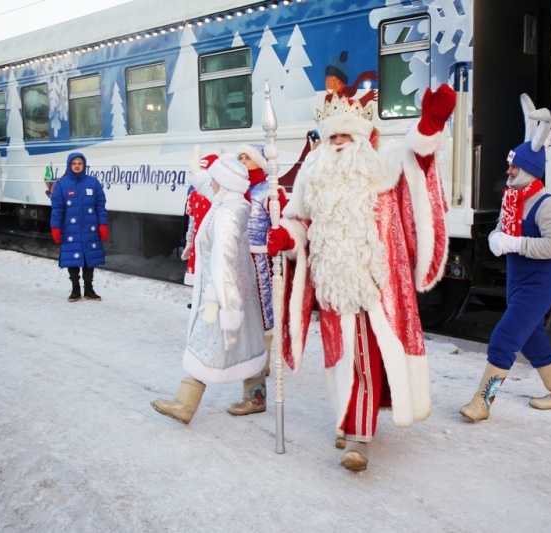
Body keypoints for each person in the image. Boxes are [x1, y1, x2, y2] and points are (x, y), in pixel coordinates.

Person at [266, 85, 456, 471]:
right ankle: (351, 419)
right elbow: (301, 222)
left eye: (345, 135)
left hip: (375, 287)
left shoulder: (382, 167)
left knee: (367, 360)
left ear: (362, 138)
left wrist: (430, 124)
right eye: (331, 135)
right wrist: (287, 237)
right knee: (341, 358)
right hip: (332, 287)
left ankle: (357, 438)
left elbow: (418, 160)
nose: (337, 143)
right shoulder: (311, 175)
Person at [459, 94, 551, 423]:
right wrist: (497, 237)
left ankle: (483, 402)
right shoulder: (513, 199)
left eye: (514, 165)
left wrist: (515, 243)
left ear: (530, 170)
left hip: (539, 284)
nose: (508, 170)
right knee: (533, 340)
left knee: (504, 339)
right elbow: (500, 229)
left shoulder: (547, 204)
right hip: (518, 281)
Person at [151, 157, 267, 425]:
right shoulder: (229, 202)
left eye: (215, 179)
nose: (211, 183)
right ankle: (256, 397)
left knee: (207, 343)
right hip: (236, 290)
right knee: (247, 340)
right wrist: (198, 173)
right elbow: (208, 186)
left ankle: (184, 404)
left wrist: (224, 302)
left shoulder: (227, 213)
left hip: (224, 292)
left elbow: (224, 259)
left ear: (225, 184)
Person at [233, 144, 288, 382]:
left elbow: (282, 222)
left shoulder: (269, 190)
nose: (243, 160)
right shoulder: (234, 189)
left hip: (259, 258)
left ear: (260, 163)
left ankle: (263, 359)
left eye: (248, 157)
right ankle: (244, 354)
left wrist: (272, 242)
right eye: (240, 157)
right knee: (240, 305)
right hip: (236, 255)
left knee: (263, 306)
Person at [50, 152, 108, 302]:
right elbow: (57, 208)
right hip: (70, 229)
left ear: (84, 165)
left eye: (80, 163)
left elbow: (100, 206)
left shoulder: (93, 182)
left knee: (89, 258)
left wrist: (103, 224)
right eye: (74, 163)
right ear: (69, 165)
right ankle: (75, 289)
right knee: (73, 259)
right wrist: (55, 227)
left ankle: (89, 289)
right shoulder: (62, 184)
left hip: (90, 229)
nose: (77, 166)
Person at [182, 154, 219, 286]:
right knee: (199, 276)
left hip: (214, 244)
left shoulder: (218, 196)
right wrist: (189, 241)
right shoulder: (193, 194)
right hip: (199, 243)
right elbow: (191, 222)